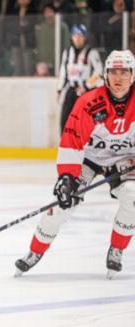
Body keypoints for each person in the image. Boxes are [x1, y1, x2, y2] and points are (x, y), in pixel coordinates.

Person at [15, 50, 135, 280]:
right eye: (113, 72)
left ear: (133, 75)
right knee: (63, 203)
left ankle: (117, 249)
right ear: (105, 75)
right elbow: (71, 140)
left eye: (124, 72)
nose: (118, 78)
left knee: (133, 196)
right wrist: (67, 177)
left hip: (125, 158)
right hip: (89, 157)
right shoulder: (89, 102)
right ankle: (35, 251)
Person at [57, 24, 103, 135]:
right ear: (72, 37)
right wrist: (59, 90)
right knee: (65, 120)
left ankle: (85, 145)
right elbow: (63, 72)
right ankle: (65, 146)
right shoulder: (67, 52)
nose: (78, 38)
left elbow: (99, 72)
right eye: (75, 35)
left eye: (80, 35)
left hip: (86, 92)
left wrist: (87, 86)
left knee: (85, 120)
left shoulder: (92, 53)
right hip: (71, 90)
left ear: (84, 37)